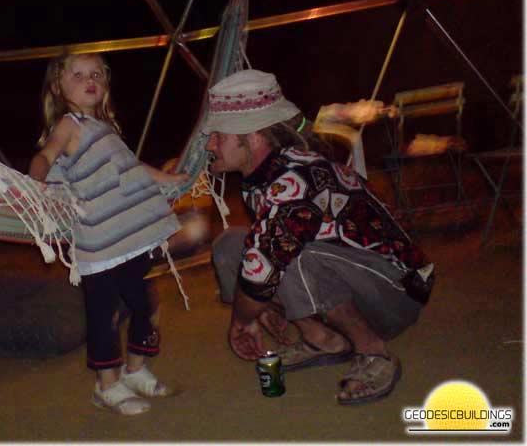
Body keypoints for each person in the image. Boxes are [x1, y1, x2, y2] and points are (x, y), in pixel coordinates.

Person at [203, 68, 434, 405]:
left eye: (218, 135)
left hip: (398, 291)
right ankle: (322, 339)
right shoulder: (262, 177)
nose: (210, 144)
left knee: (290, 252)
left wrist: (243, 319)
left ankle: (374, 352)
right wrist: (259, 305)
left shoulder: (295, 179)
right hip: (355, 279)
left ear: (251, 137)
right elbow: (257, 255)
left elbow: (264, 269)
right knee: (230, 246)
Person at [29, 51, 188, 416]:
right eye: (79, 74)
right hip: (98, 243)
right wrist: (33, 180)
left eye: (97, 73)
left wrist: (169, 179)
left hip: (126, 237)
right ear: (58, 85)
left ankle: (135, 370)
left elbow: (133, 169)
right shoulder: (69, 125)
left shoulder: (107, 129)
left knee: (144, 304)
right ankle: (107, 385)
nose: (91, 79)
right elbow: (46, 155)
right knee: (104, 315)